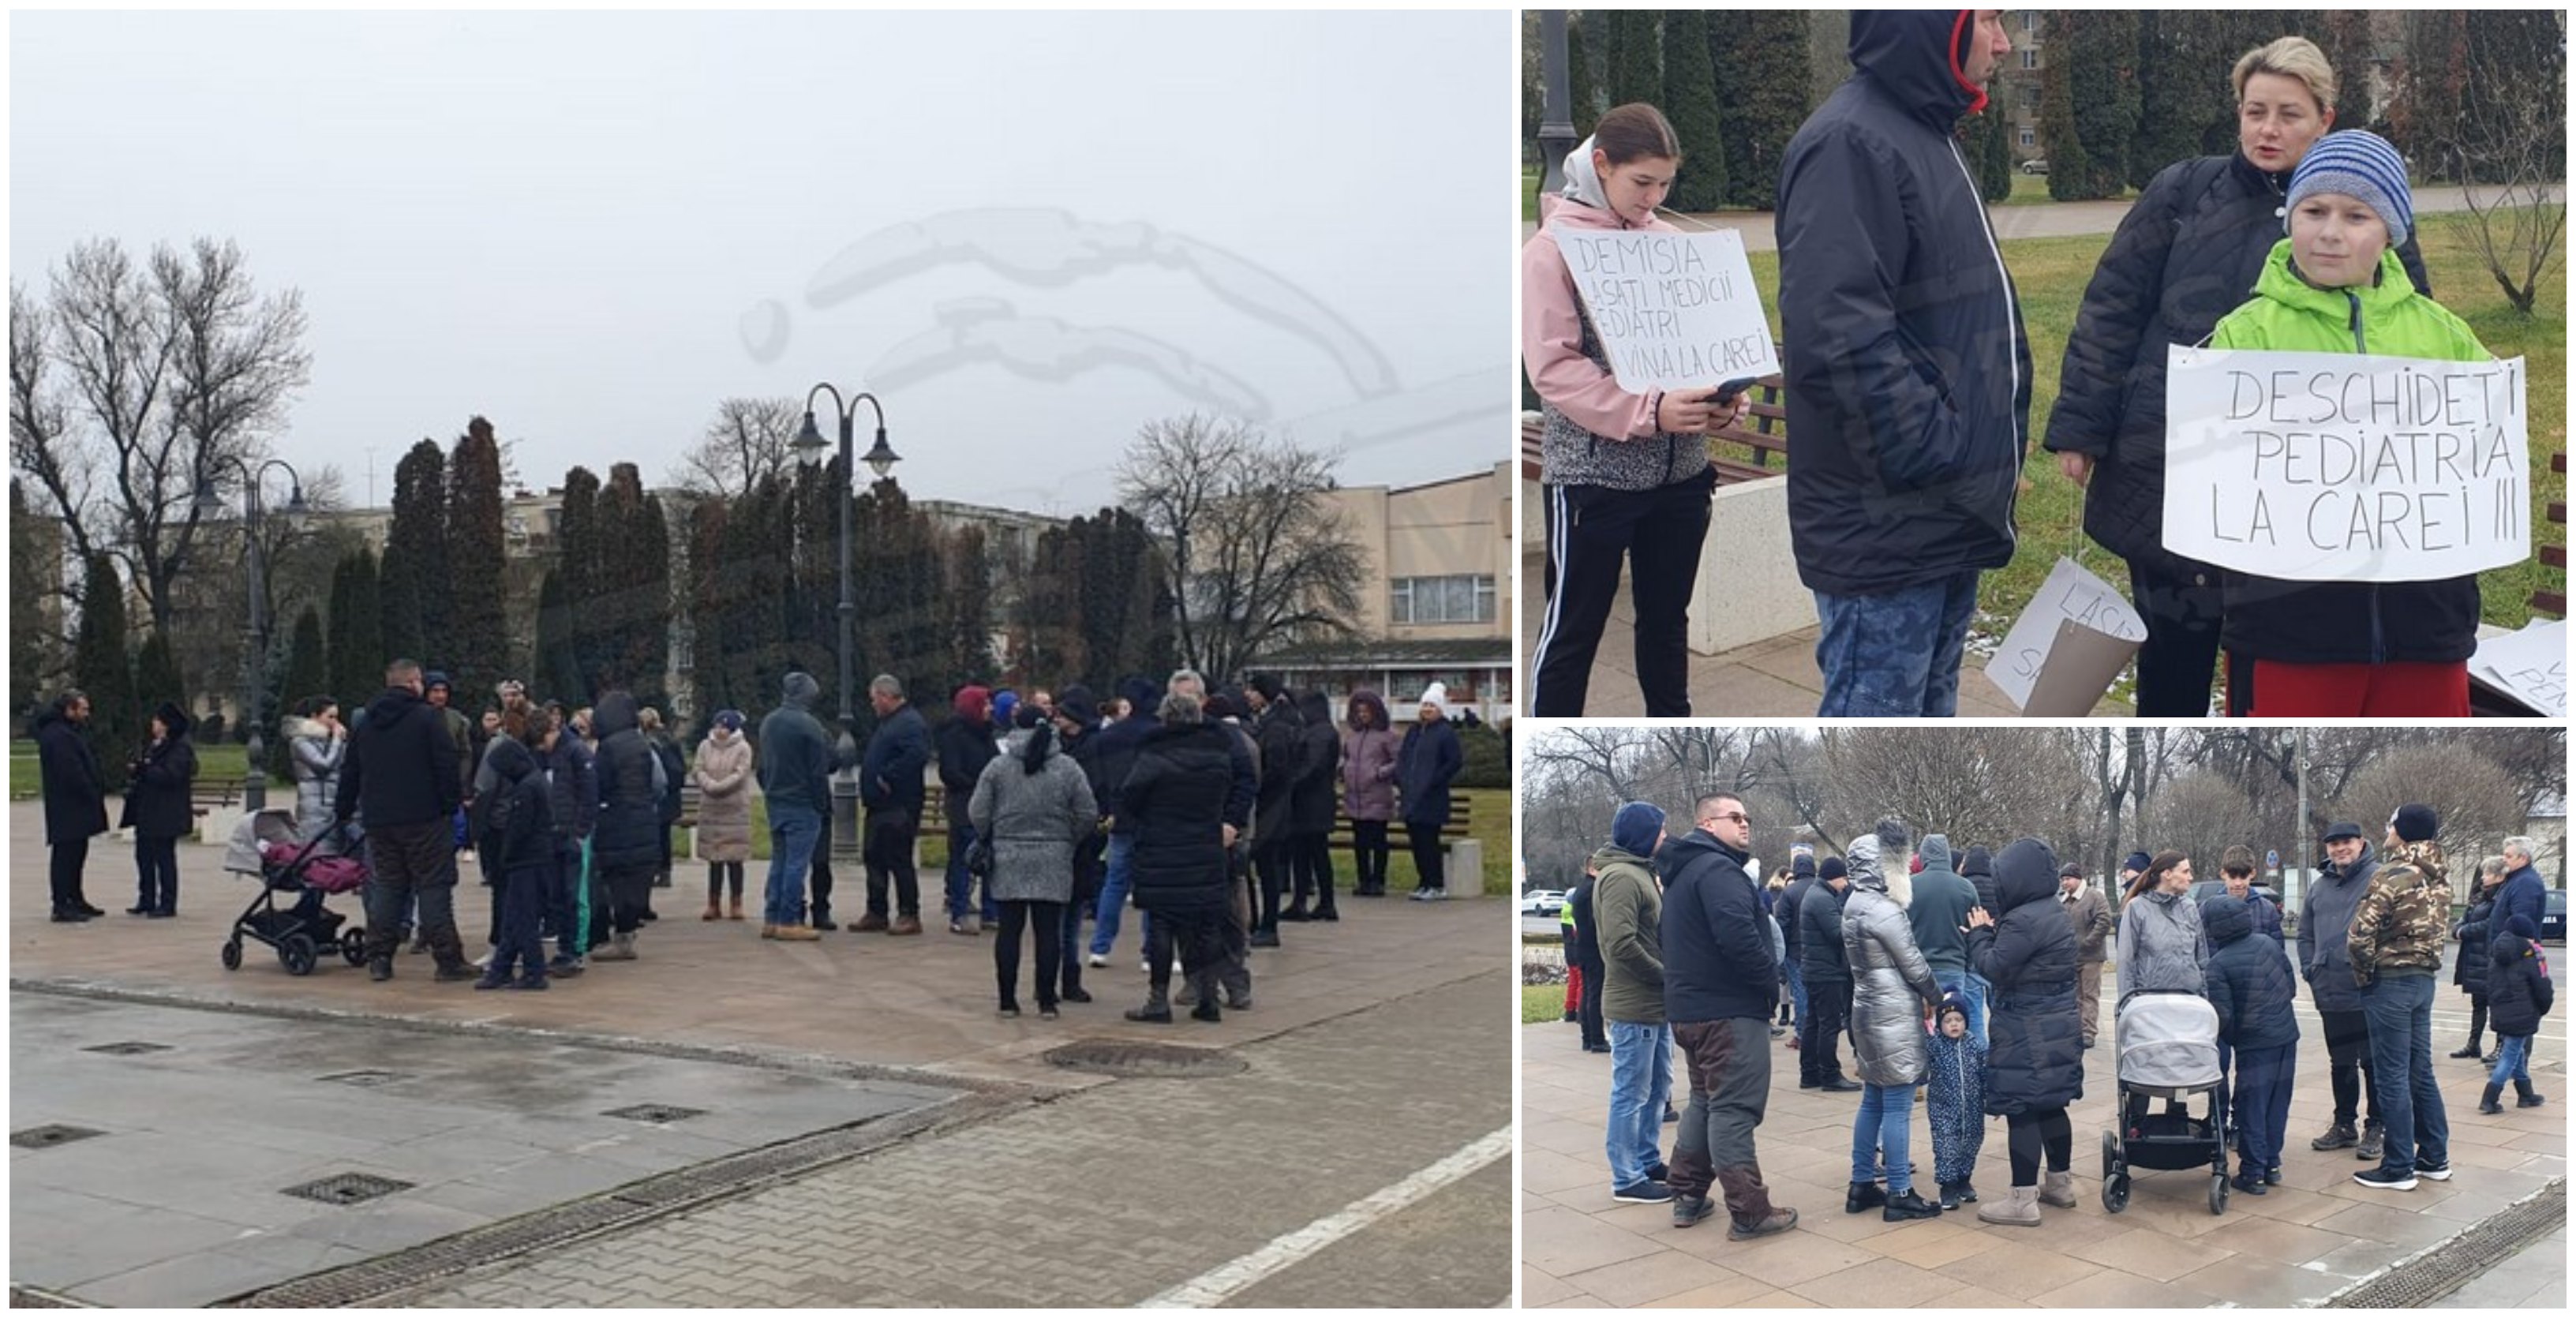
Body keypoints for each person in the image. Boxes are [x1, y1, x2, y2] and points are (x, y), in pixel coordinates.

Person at [2048, 38, 2428, 716]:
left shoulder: (2363, 209)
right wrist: (2081, 427)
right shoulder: (2183, 191)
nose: (2269, 129)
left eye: (2289, 113)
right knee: (2172, 653)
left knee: (2271, 653)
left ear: (2325, 118)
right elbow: (2112, 308)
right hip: (2169, 466)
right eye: (2256, 112)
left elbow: (2409, 326)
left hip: (2298, 487)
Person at [1777, 10, 2027, 717]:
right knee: (1877, 721)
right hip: (1889, 521)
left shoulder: (1921, 133)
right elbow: (1837, 335)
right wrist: (1939, 448)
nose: (2004, 43)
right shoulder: (1851, 142)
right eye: (1991, 20)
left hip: (1939, 514)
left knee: (1927, 722)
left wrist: (1983, 448)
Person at [2211, 132, 2494, 717]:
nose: (2331, 231)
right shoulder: (2246, 333)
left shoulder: (2445, 335)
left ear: (2390, 230)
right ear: (2291, 219)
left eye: (2357, 214)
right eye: (2314, 211)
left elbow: (2484, 455)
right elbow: (2212, 459)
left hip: (2426, 622)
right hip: (2291, 625)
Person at [1522, 102, 1746, 718]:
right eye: (1641, 182)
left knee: (1667, 625)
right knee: (1573, 632)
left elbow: (1701, 342)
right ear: (1601, 165)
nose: (1653, 198)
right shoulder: (1550, 252)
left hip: (1680, 476)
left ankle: (1673, 729)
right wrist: (1647, 411)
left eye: (1665, 184)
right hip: (1594, 479)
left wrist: (1723, 397)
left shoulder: (1670, 242)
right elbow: (1555, 369)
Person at [1659, 792, 1798, 1237]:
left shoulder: (1686, 871)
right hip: (1728, 1012)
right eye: (1734, 817)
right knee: (1734, 1109)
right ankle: (1750, 1210)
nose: (1745, 825)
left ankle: (1687, 1194)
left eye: (1747, 818)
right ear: (1706, 823)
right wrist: (1766, 986)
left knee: (1705, 1100)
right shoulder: (1718, 871)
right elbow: (1739, 938)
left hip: (1693, 1010)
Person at [1965, 837, 2084, 1226]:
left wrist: (1980, 933)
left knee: (2023, 1108)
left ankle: (2021, 1200)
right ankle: (2060, 1184)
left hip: (2025, 1027)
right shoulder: (2052, 910)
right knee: (2052, 1103)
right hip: (2057, 1023)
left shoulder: (2022, 919)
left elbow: (1994, 967)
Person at [337, 659, 469, 982]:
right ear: (414, 683)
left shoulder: (367, 723)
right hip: (425, 818)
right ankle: (448, 960)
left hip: (380, 820)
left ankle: (379, 958)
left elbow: (351, 770)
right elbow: (446, 765)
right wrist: (451, 806)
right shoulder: (427, 719)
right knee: (434, 886)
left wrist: (343, 809)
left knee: (388, 886)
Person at [1118, 691, 1244, 1024]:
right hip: (1205, 847)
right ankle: (1208, 999)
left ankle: (1158, 1000)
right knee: (1207, 925)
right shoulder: (1218, 756)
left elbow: (1130, 797)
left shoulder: (1153, 756)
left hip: (1161, 847)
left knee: (1161, 923)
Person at [1839, 833, 1946, 1223]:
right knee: (1898, 1106)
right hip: (1893, 1015)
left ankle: (1861, 1182)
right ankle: (1900, 1191)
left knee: (1872, 1101)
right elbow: (1914, 964)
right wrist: (1938, 996)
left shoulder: (1854, 903)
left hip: (1867, 1010)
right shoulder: (1884, 909)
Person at [2348, 805, 2454, 1190]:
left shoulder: (2392, 875)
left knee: (2391, 1074)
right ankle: (2434, 1157)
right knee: (2419, 1070)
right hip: (2423, 981)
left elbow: (2359, 935)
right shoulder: (2440, 877)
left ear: (2403, 832)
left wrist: (2365, 976)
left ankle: (2398, 1167)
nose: (2387, 830)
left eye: (2391, 825)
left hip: (2390, 981)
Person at [971, 702, 1099, 1020]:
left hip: (1008, 854)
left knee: (1009, 931)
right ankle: (1046, 1002)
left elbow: (978, 810)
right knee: (1048, 932)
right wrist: (1069, 838)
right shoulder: (1067, 767)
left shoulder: (998, 767)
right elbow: (1088, 812)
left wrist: (991, 835)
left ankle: (1007, 1001)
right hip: (1054, 856)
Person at [1593, 801, 1672, 1204]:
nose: (1664, 837)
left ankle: (1646, 1158)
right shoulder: (1622, 877)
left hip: (1655, 1005)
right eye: (1660, 830)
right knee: (1631, 1092)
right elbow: (1620, 943)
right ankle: (1626, 1177)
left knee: (1658, 1089)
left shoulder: (1640, 872)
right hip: (1635, 1004)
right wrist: (1666, 975)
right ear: (1644, 834)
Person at [2203, 893, 2299, 1195]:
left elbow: (2223, 1016)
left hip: (2254, 1046)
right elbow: (2291, 986)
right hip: (2286, 1037)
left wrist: (2235, 1040)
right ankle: (2272, 1164)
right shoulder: (2269, 944)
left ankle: (2252, 1172)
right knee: (2277, 1103)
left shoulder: (2218, 965)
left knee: (2251, 1106)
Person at [2301, 821, 2385, 1159]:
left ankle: (2377, 1126)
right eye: (2333, 844)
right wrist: (2312, 968)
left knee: (2373, 1063)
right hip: (2330, 991)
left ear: (2361, 843)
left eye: (2347, 842)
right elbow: (2305, 934)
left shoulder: (2378, 878)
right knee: (2341, 1062)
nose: (2340, 849)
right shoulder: (2319, 888)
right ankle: (2344, 1124)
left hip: (2367, 991)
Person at [475, 712, 555, 991]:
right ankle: (502, 969)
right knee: (514, 916)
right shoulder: (535, 781)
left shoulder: (526, 789)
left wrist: (504, 856)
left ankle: (533, 972)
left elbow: (519, 830)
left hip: (526, 861)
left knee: (522, 917)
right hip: (534, 859)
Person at [586, 692, 665, 962]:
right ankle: (627, 935)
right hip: (643, 818)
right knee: (635, 880)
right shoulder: (642, 744)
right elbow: (658, 784)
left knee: (612, 879)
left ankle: (616, 938)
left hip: (616, 820)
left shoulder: (608, 748)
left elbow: (598, 785)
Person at [756, 672, 833, 942]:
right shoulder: (809, 725)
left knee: (779, 860)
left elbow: (762, 768)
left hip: (775, 800)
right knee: (797, 864)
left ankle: (771, 917)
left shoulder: (769, 722)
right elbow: (818, 772)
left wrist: (770, 791)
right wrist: (821, 805)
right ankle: (789, 921)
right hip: (802, 803)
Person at [856, 674, 931, 936]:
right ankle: (876, 911)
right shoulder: (891, 723)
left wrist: (888, 776)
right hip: (879, 805)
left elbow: (917, 755)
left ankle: (909, 913)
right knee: (874, 856)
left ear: (886, 696)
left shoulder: (909, 723)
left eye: (874, 698)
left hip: (898, 804)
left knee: (898, 858)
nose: (873, 704)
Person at [118, 702, 197, 918]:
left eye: (157, 720)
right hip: (147, 810)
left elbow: (171, 775)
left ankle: (167, 902)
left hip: (166, 811)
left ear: (166, 724)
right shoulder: (156, 744)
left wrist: (145, 770)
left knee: (164, 858)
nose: (152, 724)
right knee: (143, 856)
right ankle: (146, 898)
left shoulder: (180, 747)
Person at [36, 691, 109, 923]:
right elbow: (71, 772)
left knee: (77, 853)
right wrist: (90, 791)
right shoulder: (58, 736)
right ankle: (61, 903)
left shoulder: (67, 732)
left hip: (74, 806)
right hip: (68, 805)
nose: (87, 714)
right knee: (66, 855)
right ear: (70, 710)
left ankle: (75, 898)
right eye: (83, 709)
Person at [1244, 673, 1305, 941]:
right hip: (1270, 805)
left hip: (1272, 807)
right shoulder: (1270, 721)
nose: (1249, 695)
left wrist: (1255, 785)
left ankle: (1268, 925)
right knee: (1264, 867)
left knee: (1267, 868)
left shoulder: (1276, 726)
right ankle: (1260, 922)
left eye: (1253, 691)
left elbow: (1277, 770)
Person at [1908, 833, 1984, 1046]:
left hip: (1917, 970)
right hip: (1954, 967)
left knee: (1919, 1027)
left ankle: (1925, 1070)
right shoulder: (1966, 887)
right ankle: (1953, 1071)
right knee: (1952, 1024)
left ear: (1923, 855)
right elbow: (1976, 929)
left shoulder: (1910, 885)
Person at [937, 685, 1000, 935]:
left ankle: (991, 912)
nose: (990, 708)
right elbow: (950, 772)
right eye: (985, 704)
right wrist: (980, 785)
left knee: (991, 860)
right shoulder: (954, 734)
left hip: (988, 807)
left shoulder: (987, 734)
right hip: (964, 806)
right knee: (963, 859)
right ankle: (959, 911)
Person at [2480, 914, 2552, 1115]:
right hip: (2523, 1013)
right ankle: (2489, 1098)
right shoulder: (2530, 956)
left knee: (2516, 1050)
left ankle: (2526, 1094)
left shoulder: (2496, 954)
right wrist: (2543, 1008)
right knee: (2510, 1055)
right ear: (2525, 936)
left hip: (2501, 1012)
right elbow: (2542, 986)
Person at [2117, 851, 2210, 1009]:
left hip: (2189, 1003)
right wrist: (2128, 1007)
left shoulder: (2190, 907)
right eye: (2185, 871)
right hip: (2151, 1005)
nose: (2190, 877)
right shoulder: (2137, 908)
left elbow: (2201, 958)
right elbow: (2126, 963)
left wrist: (2204, 999)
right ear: (2167, 874)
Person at [1398, 683, 1464, 901]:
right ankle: (1424, 881)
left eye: (1432, 706)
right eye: (1425, 705)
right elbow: (1404, 758)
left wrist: (1435, 780)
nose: (1427, 709)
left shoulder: (1445, 733)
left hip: (1432, 797)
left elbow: (1454, 762)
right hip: (1411, 796)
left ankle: (1436, 884)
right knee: (1416, 843)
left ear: (1440, 709)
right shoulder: (1414, 732)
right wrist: (1402, 779)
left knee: (1429, 843)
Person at [1798, 858, 1859, 1090]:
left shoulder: (1817, 895)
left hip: (1816, 970)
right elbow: (1838, 933)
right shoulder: (1823, 899)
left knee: (1813, 1022)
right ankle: (1830, 1074)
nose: (1846, 884)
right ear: (1834, 876)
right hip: (1827, 972)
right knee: (1829, 1024)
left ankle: (1810, 1072)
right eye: (1844, 878)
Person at [1924, 992, 1987, 1211]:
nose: (1954, 1025)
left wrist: (1992, 1098)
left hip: (1973, 1108)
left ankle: (1964, 1178)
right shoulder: (1935, 1045)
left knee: (1971, 1143)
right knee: (1946, 1146)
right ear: (1940, 1024)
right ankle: (1947, 1185)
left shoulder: (1974, 1044)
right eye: (1948, 1021)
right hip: (1943, 1108)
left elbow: (1984, 1072)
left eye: (1958, 1020)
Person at [692, 710, 754, 921]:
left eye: (724, 727)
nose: (720, 731)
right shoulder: (704, 746)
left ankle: (736, 903)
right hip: (711, 810)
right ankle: (713, 903)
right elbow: (698, 768)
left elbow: (741, 773)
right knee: (714, 859)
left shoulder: (743, 747)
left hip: (734, 809)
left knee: (735, 859)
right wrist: (708, 784)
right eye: (717, 726)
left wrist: (719, 787)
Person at [1286, 689, 1342, 921]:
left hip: (1311, 802)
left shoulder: (1319, 733)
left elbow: (1313, 766)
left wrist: (1290, 782)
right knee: (1311, 853)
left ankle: (1315, 902)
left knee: (1312, 853)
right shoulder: (1323, 731)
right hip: (1316, 801)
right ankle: (1316, 901)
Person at [1339, 689, 1399, 897]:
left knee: (1378, 840)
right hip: (1354, 796)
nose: (1362, 715)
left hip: (1377, 795)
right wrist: (1344, 771)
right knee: (1360, 842)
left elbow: (1398, 761)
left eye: (1366, 711)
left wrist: (1379, 773)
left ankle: (1378, 880)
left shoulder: (1388, 736)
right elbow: (1345, 758)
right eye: (1359, 711)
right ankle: (1363, 879)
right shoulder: (1352, 736)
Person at [2451, 858, 2506, 1059]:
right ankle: (2474, 1044)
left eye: (2488, 873)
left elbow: (2490, 924)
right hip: (2474, 957)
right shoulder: (2480, 896)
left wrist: (2464, 931)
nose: (2483, 877)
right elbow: (2464, 918)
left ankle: (2500, 1045)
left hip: (2487, 956)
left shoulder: (2500, 898)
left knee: (2496, 1004)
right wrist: (2458, 929)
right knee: (2478, 1003)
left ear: (2499, 876)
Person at [2058, 863, 2114, 1049]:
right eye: (2063, 879)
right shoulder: (2064, 902)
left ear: (2078, 879)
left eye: (2068, 879)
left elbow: (2104, 921)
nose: (2065, 883)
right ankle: (2077, 1030)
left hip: (2092, 956)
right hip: (2071, 957)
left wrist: (2089, 942)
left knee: (2089, 995)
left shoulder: (2094, 897)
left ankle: (2088, 1032)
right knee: (2075, 996)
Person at [286, 698, 348, 856]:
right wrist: (336, 741)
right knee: (316, 851)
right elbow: (322, 765)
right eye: (330, 717)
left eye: (336, 717)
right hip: (314, 806)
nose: (335, 723)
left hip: (333, 803)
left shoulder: (331, 741)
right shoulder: (300, 741)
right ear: (315, 716)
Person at [639, 706, 686, 902]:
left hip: (658, 795)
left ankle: (655, 871)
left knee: (654, 836)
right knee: (664, 835)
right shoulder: (670, 739)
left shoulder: (648, 741)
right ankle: (665, 871)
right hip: (671, 797)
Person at [1566, 863, 1608, 1053]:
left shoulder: (1581, 889)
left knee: (1588, 992)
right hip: (1592, 949)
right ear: (1592, 869)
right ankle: (1597, 1039)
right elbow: (1596, 921)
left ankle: (1588, 1037)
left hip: (1582, 947)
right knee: (1595, 993)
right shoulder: (1592, 889)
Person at [1777, 853, 1819, 1045]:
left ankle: (1803, 1034)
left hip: (1795, 950)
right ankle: (1820, 1031)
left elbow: (1782, 924)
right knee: (1818, 992)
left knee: (1800, 993)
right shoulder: (1821, 889)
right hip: (1819, 949)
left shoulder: (1789, 892)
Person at [2218, 846, 2284, 946]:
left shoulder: (2268, 910)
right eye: (2233, 876)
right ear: (2223, 874)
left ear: (2252, 874)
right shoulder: (2208, 909)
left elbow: (2277, 954)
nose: (2238, 883)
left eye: (2243, 876)